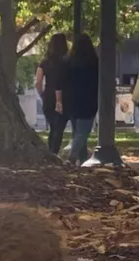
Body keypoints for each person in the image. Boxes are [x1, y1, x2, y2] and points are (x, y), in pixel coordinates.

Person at [63, 33, 100, 165]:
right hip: (89, 99)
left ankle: (80, 156)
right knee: (83, 131)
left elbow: (64, 81)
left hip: (72, 99)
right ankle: (72, 157)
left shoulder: (68, 61)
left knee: (77, 130)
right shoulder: (94, 62)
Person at [36, 33, 69, 154]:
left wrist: (42, 95)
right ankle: (53, 151)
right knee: (59, 128)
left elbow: (38, 82)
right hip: (64, 97)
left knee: (53, 127)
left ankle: (51, 151)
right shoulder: (67, 62)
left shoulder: (44, 63)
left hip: (48, 97)